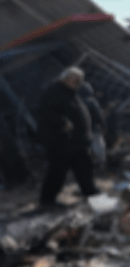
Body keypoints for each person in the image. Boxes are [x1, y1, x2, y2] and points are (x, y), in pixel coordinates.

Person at [37, 67, 99, 208]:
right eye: (73, 80)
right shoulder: (53, 92)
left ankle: (89, 191)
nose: (76, 83)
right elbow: (46, 112)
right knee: (57, 172)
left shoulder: (70, 93)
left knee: (84, 167)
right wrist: (62, 122)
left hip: (76, 142)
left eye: (78, 81)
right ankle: (47, 200)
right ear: (65, 79)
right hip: (61, 142)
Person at [78, 81, 107, 167]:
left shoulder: (76, 101)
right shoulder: (92, 101)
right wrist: (103, 125)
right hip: (93, 129)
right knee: (98, 146)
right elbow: (99, 115)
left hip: (79, 129)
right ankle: (101, 163)